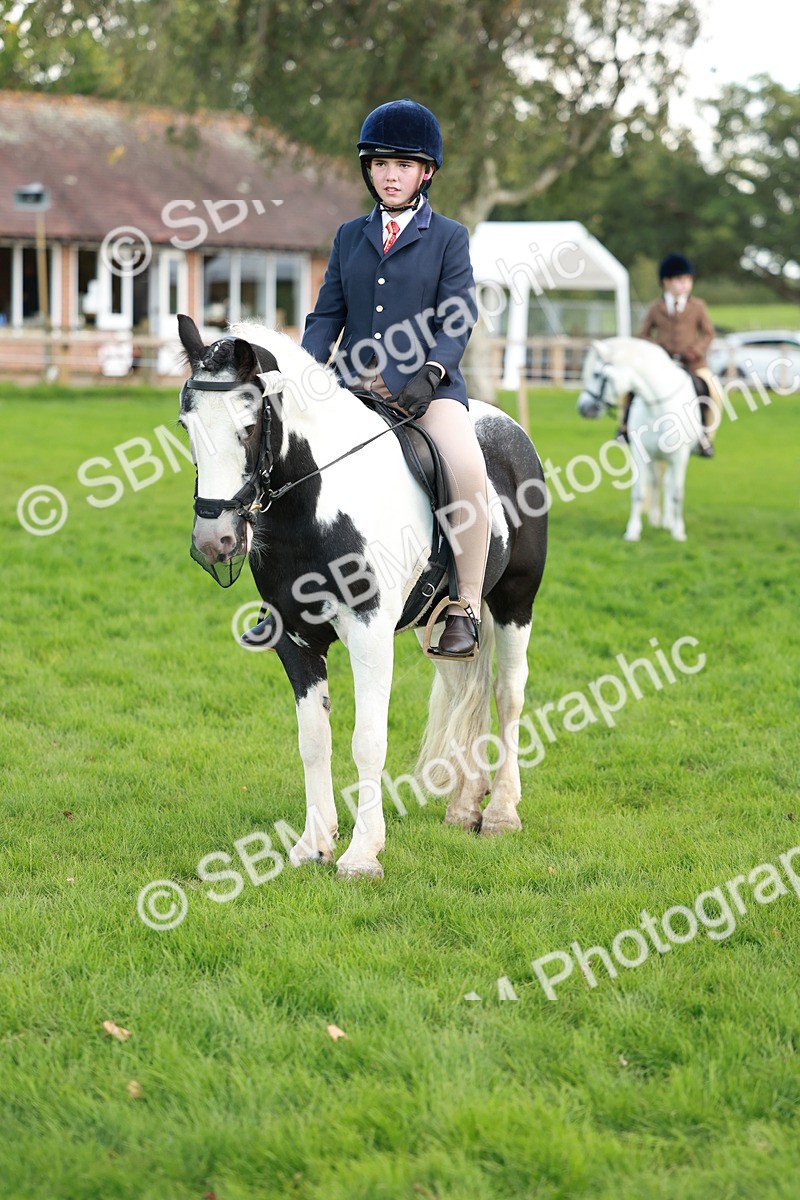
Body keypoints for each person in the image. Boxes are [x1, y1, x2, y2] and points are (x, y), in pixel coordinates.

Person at [299, 98, 489, 658]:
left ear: (425, 172)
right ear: (368, 169)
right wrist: (306, 372)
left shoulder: (449, 237)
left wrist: (430, 373)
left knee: (466, 469)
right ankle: (286, 598)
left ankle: (466, 605)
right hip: (353, 390)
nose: (390, 175)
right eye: (380, 164)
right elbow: (326, 316)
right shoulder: (348, 235)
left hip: (426, 391)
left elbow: (458, 316)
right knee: (285, 457)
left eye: (403, 165)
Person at [618, 253, 721, 457]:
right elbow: (644, 334)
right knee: (628, 390)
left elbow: (708, 333)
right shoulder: (655, 308)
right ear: (666, 282)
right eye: (680, 280)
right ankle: (624, 428)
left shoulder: (698, 306)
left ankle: (705, 438)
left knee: (713, 392)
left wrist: (695, 351)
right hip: (662, 365)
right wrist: (658, 352)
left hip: (692, 363)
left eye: (688, 280)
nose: (685, 284)